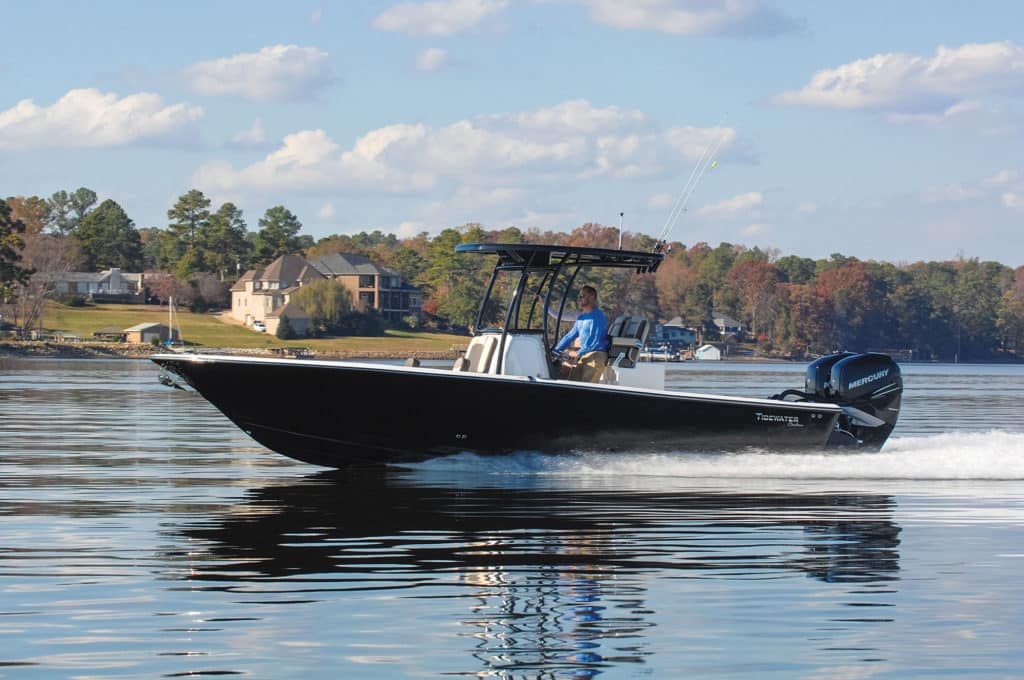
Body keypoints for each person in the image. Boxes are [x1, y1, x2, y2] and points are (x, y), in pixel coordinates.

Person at [553, 285, 608, 382]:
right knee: (573, 384)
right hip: (584, 355)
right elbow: (569, 336)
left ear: (591, 298)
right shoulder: (582, 318)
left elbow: (594, 342)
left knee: (586, 390)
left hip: (595, 355)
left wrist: (577, 353)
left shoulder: (598, 316)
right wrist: (555, 351)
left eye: (582, 296)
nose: (579, 299)